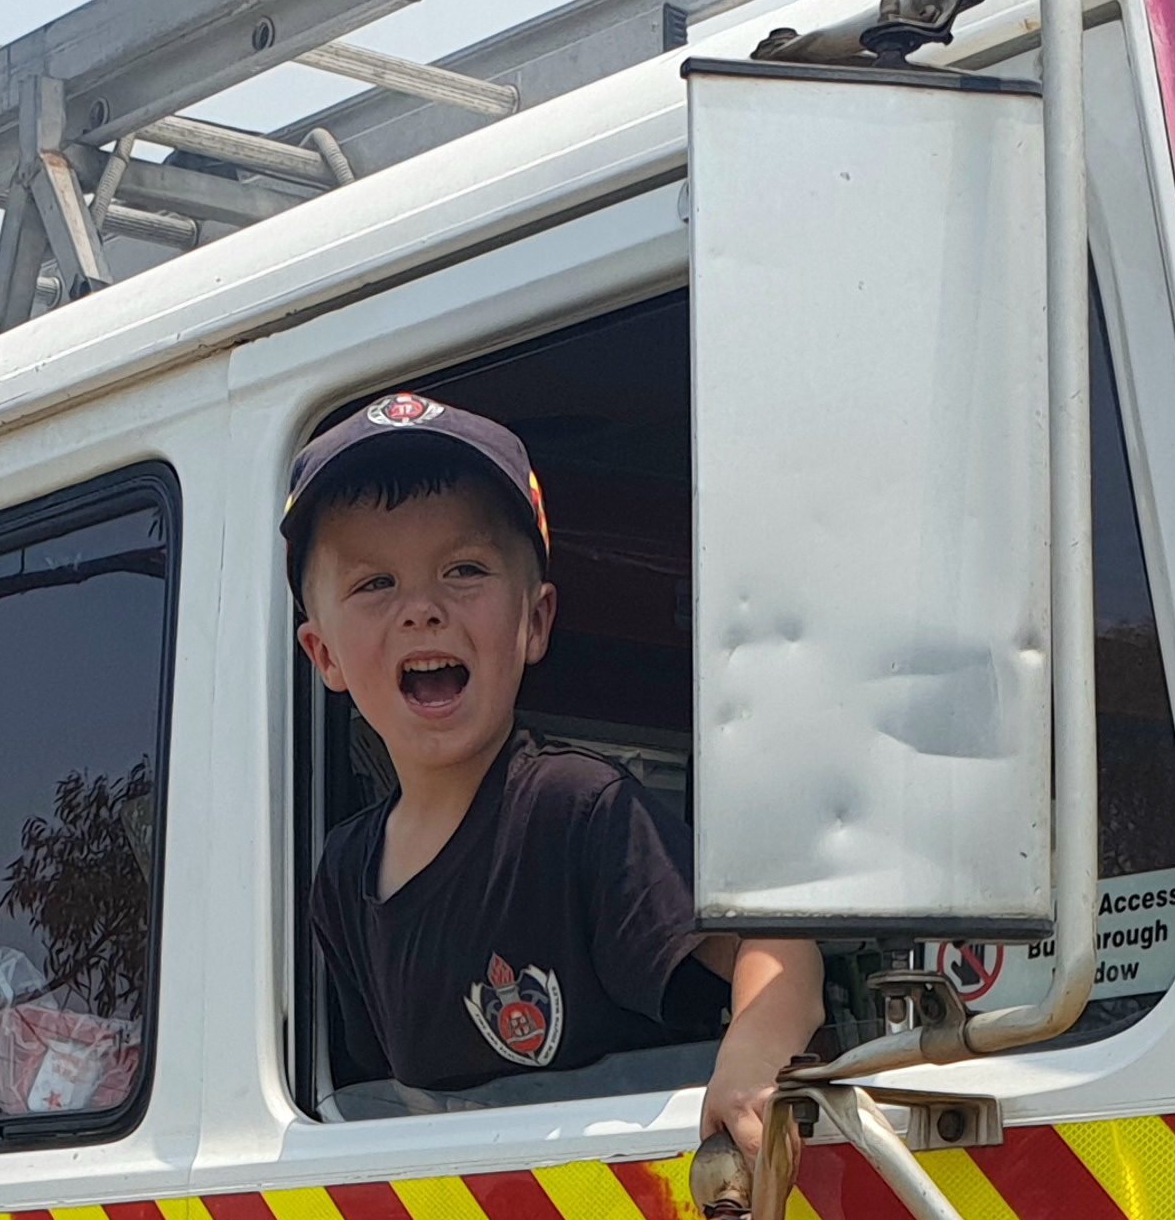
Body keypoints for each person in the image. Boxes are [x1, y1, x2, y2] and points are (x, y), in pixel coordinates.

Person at [288, 392, 821, 1156]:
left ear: (534, 622)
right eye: (375, 584)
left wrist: (754, 1057)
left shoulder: (579, 810)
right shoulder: (343, 876)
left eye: (463, 569)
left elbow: (776, 947)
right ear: (325, 656)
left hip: (656, 1210)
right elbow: (385, 1106)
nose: (422, 610)